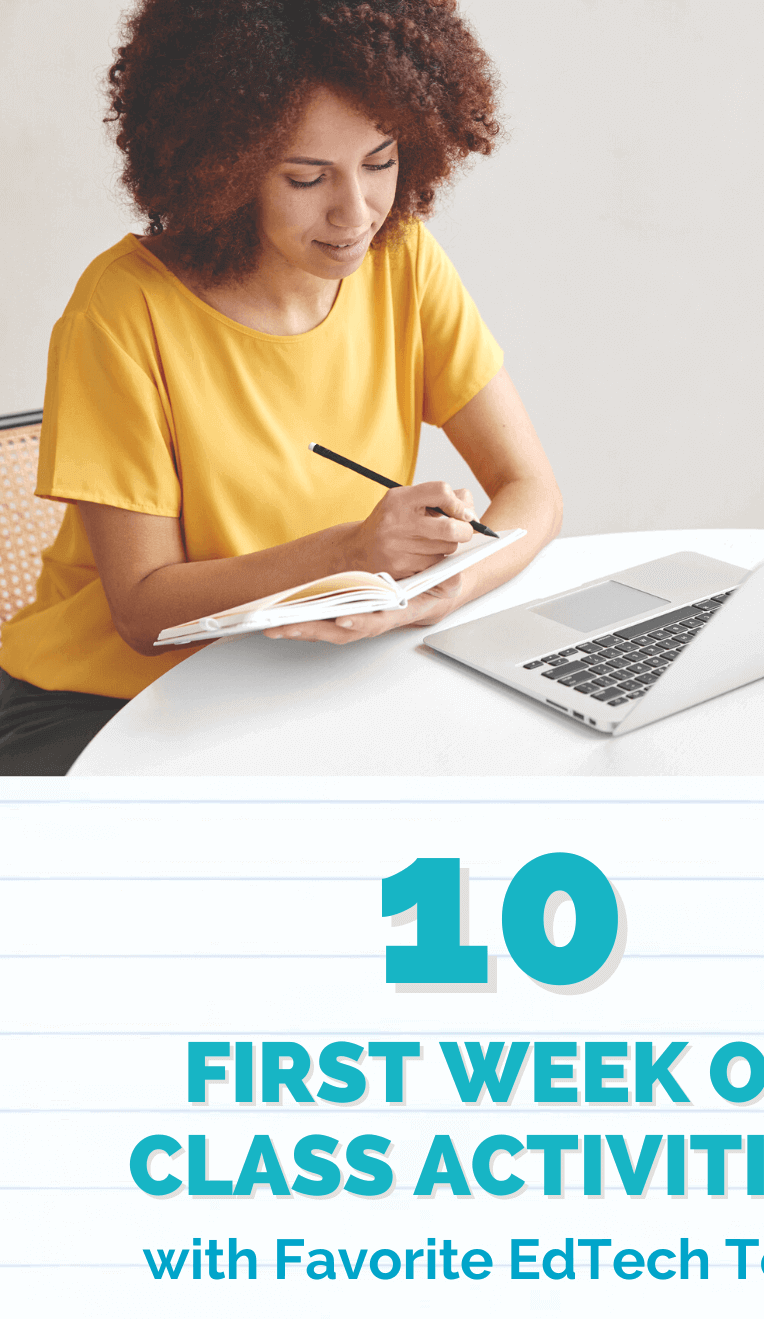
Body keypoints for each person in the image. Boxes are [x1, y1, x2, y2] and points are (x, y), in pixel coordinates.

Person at [0, 0, 562, 775]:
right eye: (307, 177)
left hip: (297, 683)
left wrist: (443, 590)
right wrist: (352, 551)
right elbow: (142, 611)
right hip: (105, 706)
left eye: (380, 161)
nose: (356, 213)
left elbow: (531, 491)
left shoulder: (402, 262)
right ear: (225, 168)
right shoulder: (122, 312)